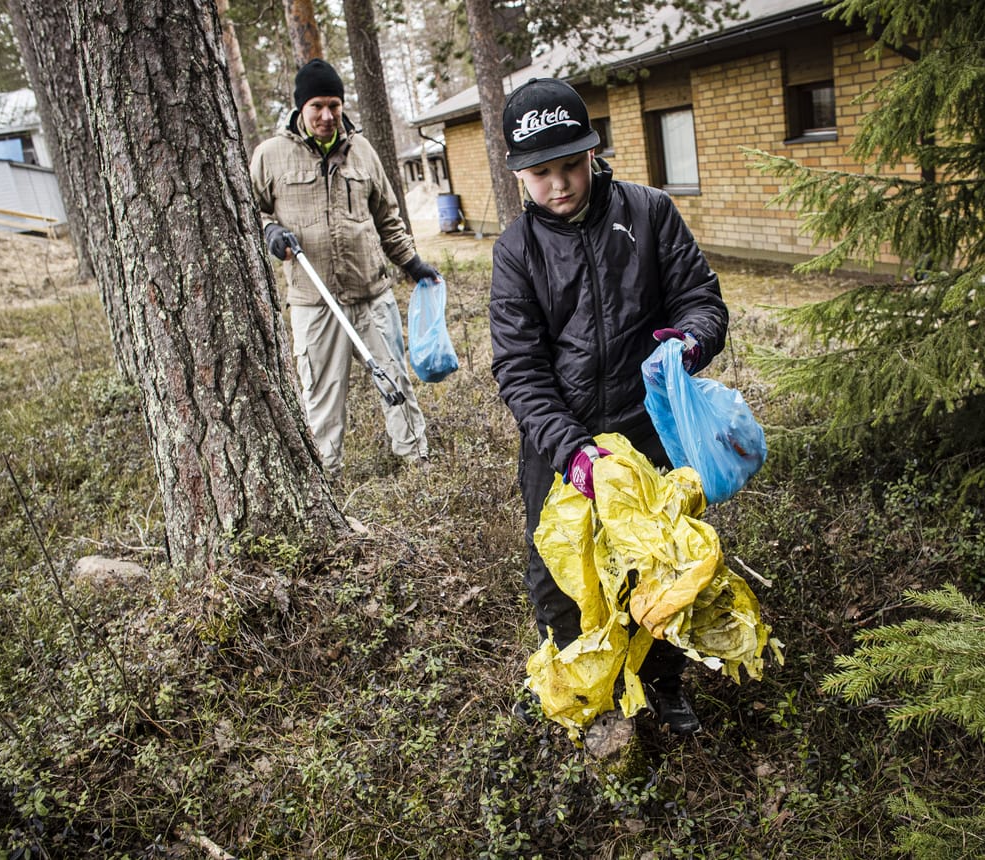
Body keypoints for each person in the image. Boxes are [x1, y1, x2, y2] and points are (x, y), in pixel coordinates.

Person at [488, 78, 729, 735]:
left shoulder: (649, 214)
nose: (560, 184)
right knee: (559, 574)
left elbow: (702, 300)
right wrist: (570, 450)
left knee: (658, 565)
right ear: (520, 175)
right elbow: (519, 367)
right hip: (559, 442)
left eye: (572, 164)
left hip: (647, 427)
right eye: (542, 173)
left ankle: (662, 685)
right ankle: (585, 690)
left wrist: (690, 341)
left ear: (593, 153)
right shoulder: (516, 253)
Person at [250, 58, 436, 472]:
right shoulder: (270, 156)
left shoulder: (362, 151)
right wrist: (269, 230)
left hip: (371, 293)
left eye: (334, 104)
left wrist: (411, 261)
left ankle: (415, 455)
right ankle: (326, 471)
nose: (327, 115)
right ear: (301, 107)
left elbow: (387, 216)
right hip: (313, 301)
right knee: (321, 391)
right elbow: (249, 213)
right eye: (317, 105)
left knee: (394, 378)